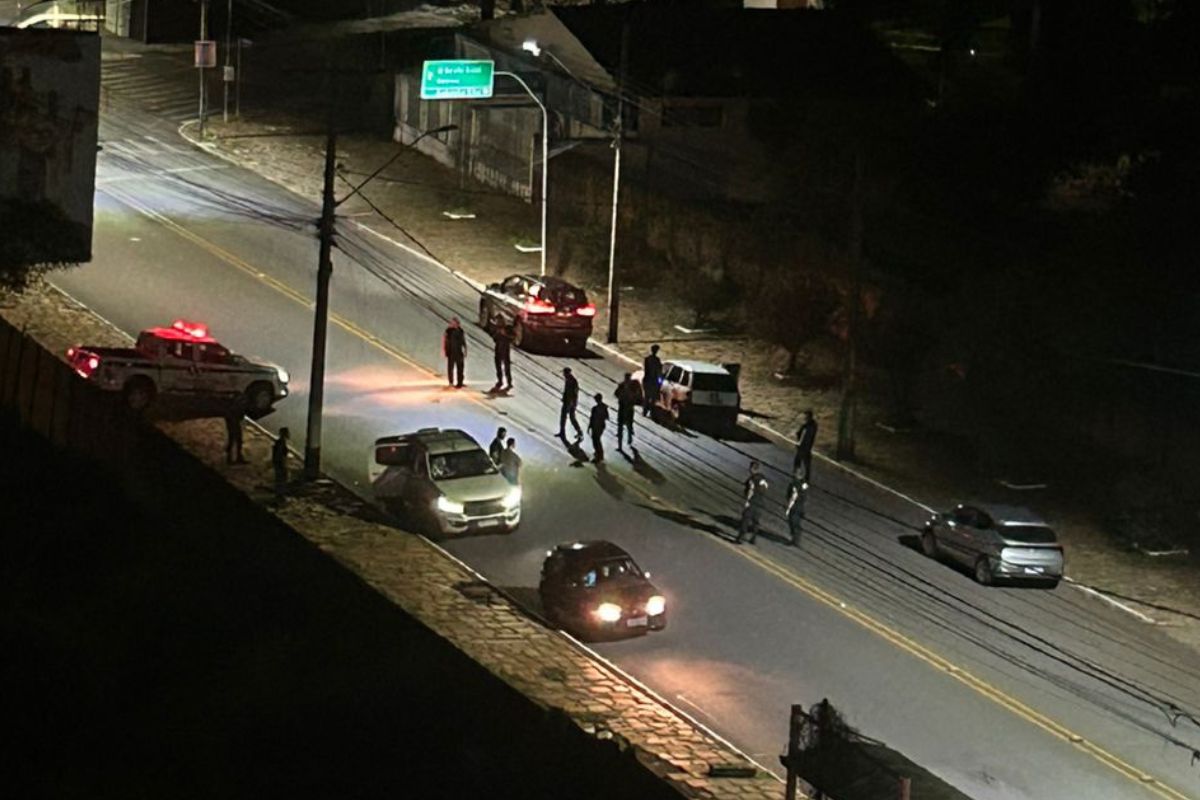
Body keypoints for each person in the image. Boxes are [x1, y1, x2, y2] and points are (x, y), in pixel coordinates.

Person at [736, 460, 769, 544]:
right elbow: (766, 488)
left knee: (745, 519)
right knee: (756, 521)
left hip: (752, 501)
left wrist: (747, 501)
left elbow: (750, 490)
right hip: (761, 501)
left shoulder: (751, 479)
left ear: (751, 468)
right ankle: (754, 538)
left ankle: (741, 537)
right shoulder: (763, 478)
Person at [613, 372, 641, 450]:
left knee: (624, 425)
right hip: (626, 407)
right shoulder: (630, 386)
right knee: (625, 424)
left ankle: (626, 440)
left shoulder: (631, 386)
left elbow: (616, 394)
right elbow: (616, 393)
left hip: (626, 407)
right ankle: (626, 440)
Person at [558, 367, 583, 439]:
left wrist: (571, 403)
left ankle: (578, 431)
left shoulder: (573, 381)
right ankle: (562, 432)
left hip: (570, 403)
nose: (563, 374)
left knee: (569, 418)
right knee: (566, 418)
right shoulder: (568, 380)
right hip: (568, 402)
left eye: (564, 373)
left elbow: (575, 393)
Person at [442, 317, 467, 388]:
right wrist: (444, 350)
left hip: (459, 352)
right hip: (451, 352)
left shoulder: (461, 331)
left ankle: (460, 382)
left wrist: (465, 350)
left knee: (460, 367)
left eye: (455, 323)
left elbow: (463, 341)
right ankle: (451, 382)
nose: (454, 324)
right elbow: (445, 340)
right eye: (452, 323)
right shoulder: (449, 331)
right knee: (451, 368)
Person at [785, 469, 808, 546]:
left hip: (796, 505)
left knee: (794, 521)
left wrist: (788, 506)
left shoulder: (796, 484)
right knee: (793, 521)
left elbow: (792, 496)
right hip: (800, 506)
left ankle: (795, 539)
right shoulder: (802, 484)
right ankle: (794, 538)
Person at [794, 409, 818, 482]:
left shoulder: (809, 426)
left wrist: (799, 438)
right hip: (805, 447)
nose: (805, 418)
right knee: (803, 462)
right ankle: (804, 477)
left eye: (806, 416)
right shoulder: (811, 425)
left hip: (804, 447)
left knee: (800, 461)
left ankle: (800, 476)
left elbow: (804, 436)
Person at [491, 316, 513, 392]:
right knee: (498, 367)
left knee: (507, 368)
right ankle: (500, 381)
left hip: (505, 351)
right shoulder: (497, 330)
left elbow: (512, 338)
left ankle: (509, 382)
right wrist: (498, 333)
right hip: (498, 351)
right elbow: (494, 338)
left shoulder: (508, 329)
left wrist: (505, 334)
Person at [588, 392, 610, 463]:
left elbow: (592, 418)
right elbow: (607, 417)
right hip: (601, 425)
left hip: (596, 425)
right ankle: (599, 453)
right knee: (597, 440)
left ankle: (599, 455)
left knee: (595, 440)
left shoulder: (594, 409)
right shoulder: (604, 407)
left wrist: (589, 426)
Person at [224, 398, 247, 465]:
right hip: (234, 424)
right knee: (236, 440)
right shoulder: (238, 407)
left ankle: (232, 458)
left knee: (232, 440)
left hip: (232, 423)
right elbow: (240, 416)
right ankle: (233, 458)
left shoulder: (232, 407)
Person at [642, 344, 663, 417]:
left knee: (649, 397)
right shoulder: (654, 360)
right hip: (650, 381)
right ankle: (646, 411)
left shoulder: (653, 359)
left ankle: (648, 411)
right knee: (649, 397)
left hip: (651, 381)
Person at [272, 427, 290, 503]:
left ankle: (279, 495)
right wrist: (283, 464)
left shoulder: (279, 442)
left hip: (278, 463)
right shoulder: (281, 442)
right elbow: (279, 454)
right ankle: (280, 496)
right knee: (282, 479)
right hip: (280, 463)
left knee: (279, 479)